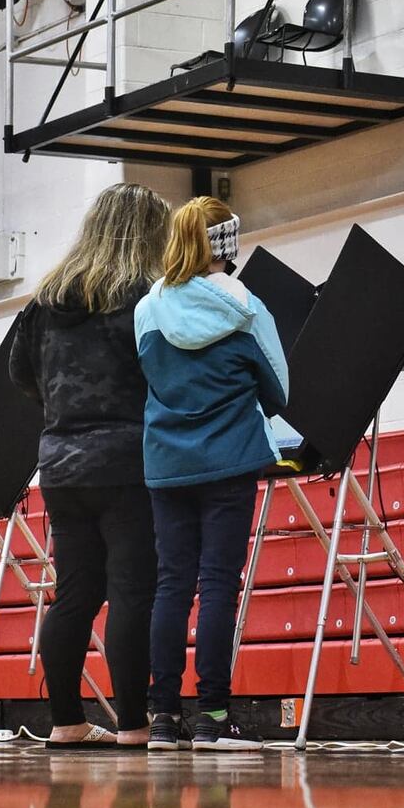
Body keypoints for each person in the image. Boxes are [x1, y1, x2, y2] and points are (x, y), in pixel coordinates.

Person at [9, 183, 170, 749]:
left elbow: (19, 377)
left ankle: (66, 723)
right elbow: (168, 374)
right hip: (129, 461)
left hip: (60, 465)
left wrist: (64, 410)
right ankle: (133, 726)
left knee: (74, 593)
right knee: (131, 592)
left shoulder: (43, 300)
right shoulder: (146, 295)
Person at [134, 196, 288, 752]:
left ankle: (161, 720)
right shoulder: (246, 306)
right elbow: (279, 391)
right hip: (228, 461)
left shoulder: (146, 309)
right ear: (225, 241)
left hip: (165, 465)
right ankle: (214, 718)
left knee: (171, 585)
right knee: (218, 584)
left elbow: (149, 378)